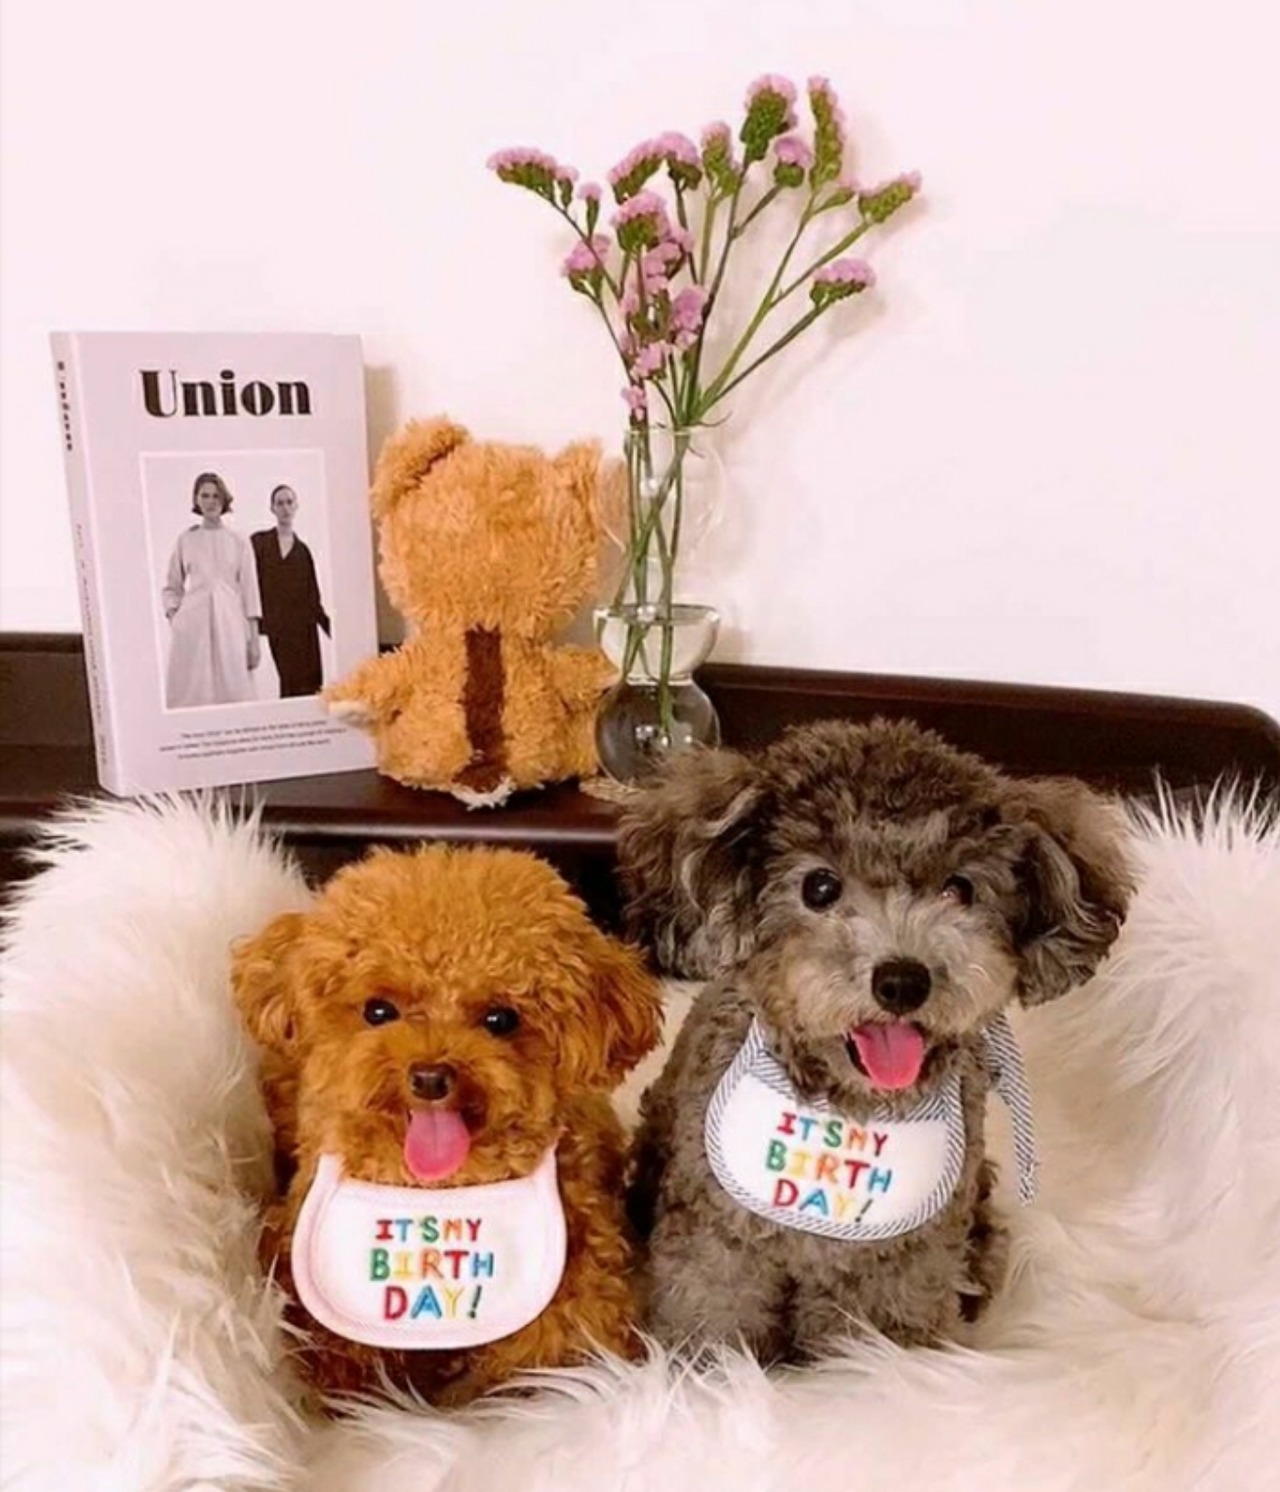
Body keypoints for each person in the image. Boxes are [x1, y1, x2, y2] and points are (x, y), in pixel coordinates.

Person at [162, 472, 262, 709]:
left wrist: (254, 642)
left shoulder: (238, 540)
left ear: (224, 499)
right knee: (192, 696)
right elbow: (172, 586)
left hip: (230, 626)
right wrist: (175, 617)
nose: (210, 501)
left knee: (235, 695)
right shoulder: (186, 540)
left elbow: (250, 592)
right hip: (192, 630)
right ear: (196, 500)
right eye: (205, 495)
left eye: (216, 496)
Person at [250, 484, 331, 697]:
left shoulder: (303, 551)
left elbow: (313, 598)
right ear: (272, 508)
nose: (285, 508)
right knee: (287, 682)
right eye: (280, 503)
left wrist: (334, 630)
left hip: (303, 628)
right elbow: (245, 580)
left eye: (289, 502)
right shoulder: (259, 543)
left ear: (296, 506)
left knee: (308, 686)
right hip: (276, 626)